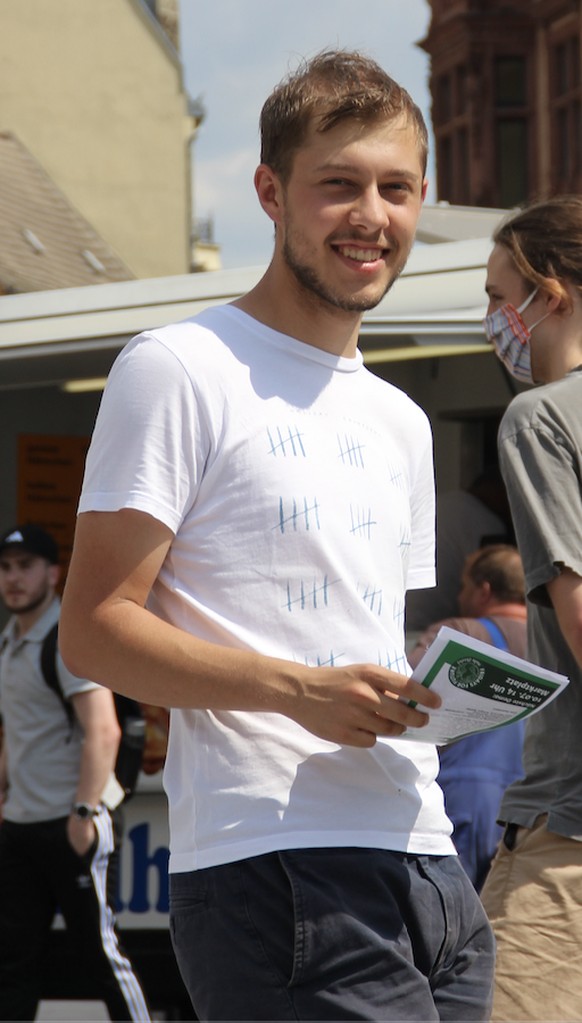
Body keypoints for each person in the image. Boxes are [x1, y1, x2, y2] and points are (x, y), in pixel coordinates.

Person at [59, 50, 494, 1022]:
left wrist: (444, 691)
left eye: (397, 187)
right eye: (337, 185)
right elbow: (91, 630)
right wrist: (299, 691)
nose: (371, 215)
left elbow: (364, 635)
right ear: (270, 191)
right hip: (275, 867)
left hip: (430, 864)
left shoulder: (400, 420)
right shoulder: (178, 368)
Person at [476, 195, 582, 1022]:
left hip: (568, 826)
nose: (490, 317)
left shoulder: (539, 419)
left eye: (495, 292)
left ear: (550, 297)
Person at [0, 524, 151, 1022]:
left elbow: (103, 730)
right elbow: (20, 731)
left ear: (54, 573)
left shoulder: (67, 638)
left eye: (25, 566)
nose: (14, 579)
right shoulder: (9, 643)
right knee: (12, 965)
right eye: (5, 568)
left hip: (71, 823)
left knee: (102, 958)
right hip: (21, 827)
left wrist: (84, 813)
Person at [408, 544, 527, 891]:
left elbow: (405, 695)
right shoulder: (555, 641)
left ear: (484, 589)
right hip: (534, 810)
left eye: (463, 585)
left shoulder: (462, 633)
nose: (460, 596)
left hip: (466, 800)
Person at [405, 466, 513, 636]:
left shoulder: (440, 505)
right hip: (433, 627)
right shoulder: (485, 521)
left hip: (404, 620)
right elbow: (488, 576)